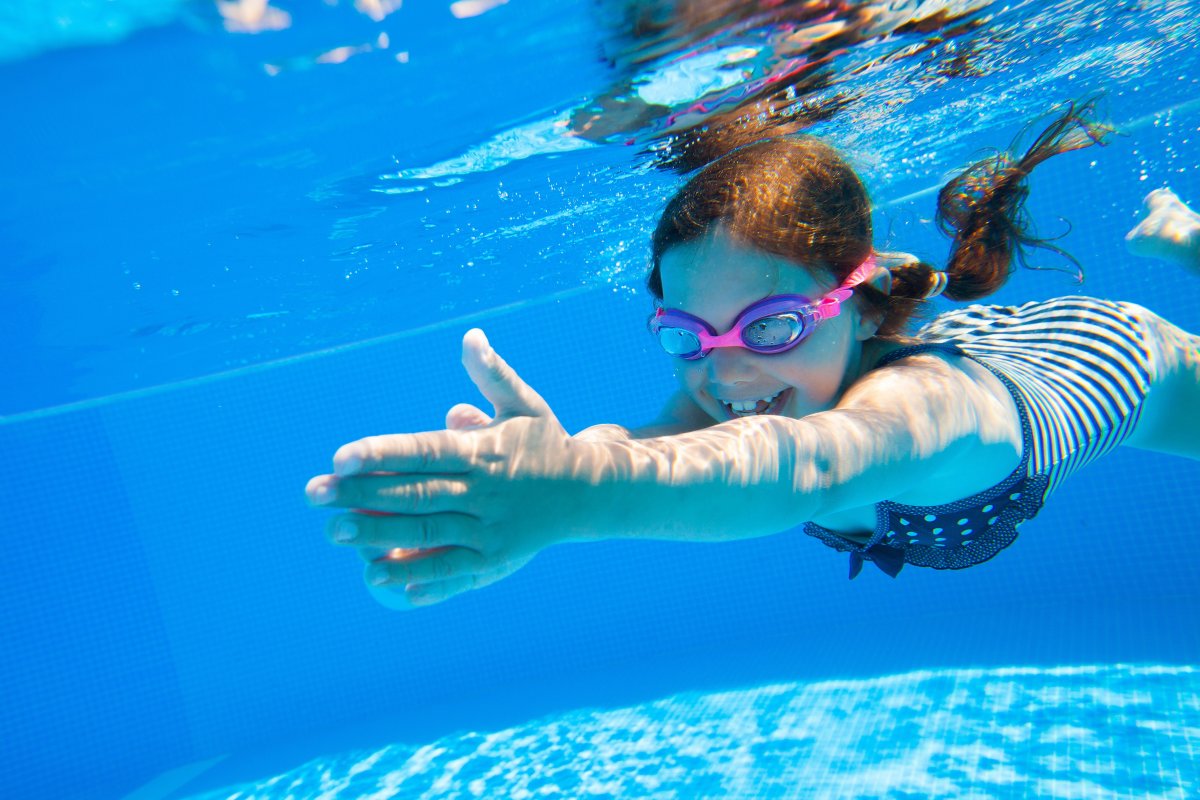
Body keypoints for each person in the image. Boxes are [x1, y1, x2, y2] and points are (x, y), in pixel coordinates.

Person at [306, 99, 1200, 609]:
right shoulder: (735, 391)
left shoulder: (930, 416)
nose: (726, 377)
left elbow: (807, 468)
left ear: (849, 300)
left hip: (1118, 363)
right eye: (689, 338)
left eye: (771, 327)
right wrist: (548, 472)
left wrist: (577, 502)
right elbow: (648, 450)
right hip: (979, 344)